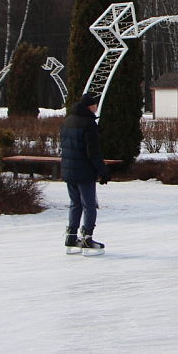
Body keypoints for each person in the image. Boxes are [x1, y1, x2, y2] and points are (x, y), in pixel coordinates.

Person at [61, 92, 110, 256]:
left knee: (75, 203)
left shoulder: (67, 121)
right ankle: (87, 237)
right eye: (95, 106)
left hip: (69, 170)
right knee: (89, 205)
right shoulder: (88, 124)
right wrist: (102, 171)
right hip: (84, 171)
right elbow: (93, 151)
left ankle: (71, 236)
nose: (96, 109)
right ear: (90, 107)